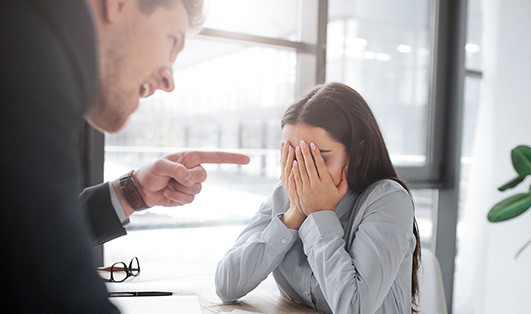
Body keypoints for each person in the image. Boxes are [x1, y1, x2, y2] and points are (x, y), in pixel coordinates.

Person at [0, 0, 248, 312]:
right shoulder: (27, 59)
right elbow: (53, 291)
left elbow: (22, 238)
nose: (169, 82)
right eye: (172, 40)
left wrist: (131, 193)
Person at [215, 82, 422, 314]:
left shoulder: (388, 200)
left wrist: (319, 214)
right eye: (292, 157)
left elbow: (354, 308)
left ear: (359, 153)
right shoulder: (285, 195)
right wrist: (293, 216)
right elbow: (226, 285)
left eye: (318, 159)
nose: (302, 172)